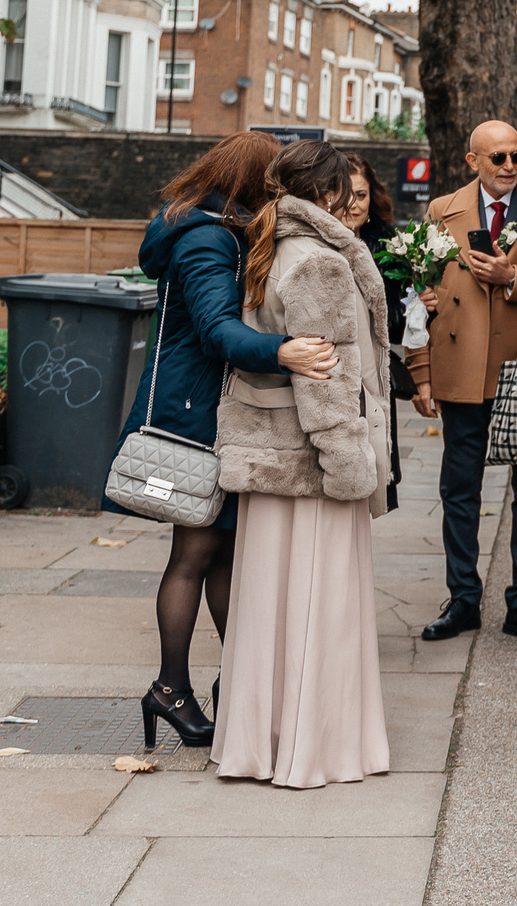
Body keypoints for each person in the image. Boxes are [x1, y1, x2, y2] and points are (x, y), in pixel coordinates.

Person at [114, 132, 336, 750]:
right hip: (197, 412)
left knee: (223, 552)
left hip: (215, 408)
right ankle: (170, 689)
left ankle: (230, 686)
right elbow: (217, 330)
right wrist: (282, 352)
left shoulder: (216, 229)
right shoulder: (207, 238)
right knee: (195, 551)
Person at [211, 140, 394, 788]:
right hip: (315, 464)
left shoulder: (271, 247)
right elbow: (328, 381)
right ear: (326, 193)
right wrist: (351, 466)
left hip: (272, 459)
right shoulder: (321, 262)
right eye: (345, 186)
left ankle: (260, 743)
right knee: (323, 606)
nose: (353, 198)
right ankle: (316, 748)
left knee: (270, 607)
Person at [409, 120, 517, 646]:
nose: (510, 166)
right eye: (498, 158)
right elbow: (421, 296)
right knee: (459, 490)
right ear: (473, 162)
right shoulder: (442, 210)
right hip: (462, 370)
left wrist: (514, 279)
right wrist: (421, 375)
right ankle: (463, 598)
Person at [349, 156, 411, 513]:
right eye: (346, 194)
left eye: (361, 194)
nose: (354, 204)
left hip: (373, 379)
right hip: (332, 375)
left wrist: (420, 305)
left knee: (372, 477)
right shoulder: (316, 241)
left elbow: (399, 323)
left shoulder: (388, 245)